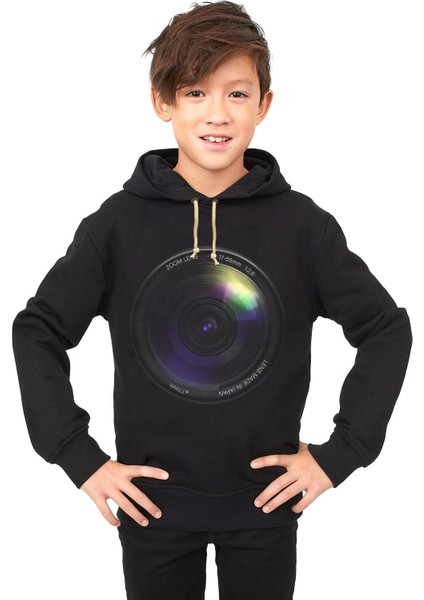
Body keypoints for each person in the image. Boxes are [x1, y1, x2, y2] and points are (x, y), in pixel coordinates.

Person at [12, 2, 412, 599]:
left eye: (237, 93)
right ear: (162, 101)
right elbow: (38, 329)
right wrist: (77, 456)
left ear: (264, 104)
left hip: (266, 503)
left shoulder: (302, 227)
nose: (217, 113)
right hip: (151, 506)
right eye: (195, 92)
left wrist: (343, 452)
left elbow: (384, 328)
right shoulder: (117, 226)